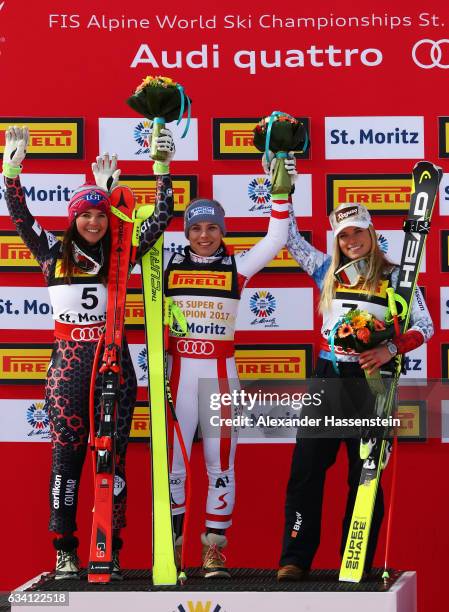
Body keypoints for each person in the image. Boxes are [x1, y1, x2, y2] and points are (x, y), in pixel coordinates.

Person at [2, 125, 175, 580]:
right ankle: (64, 549)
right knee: (66, 459)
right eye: (85, 216)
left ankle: (109, 547)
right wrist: (12, 171)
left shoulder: (123, 253)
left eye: (100, 215)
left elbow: (161, 217)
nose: (94, 223)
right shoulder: (51, 252)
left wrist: (161, 168)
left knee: (112, 459)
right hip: (68, 372)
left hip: (113, 369)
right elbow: (20, 215)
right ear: (73, 218)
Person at [276, 186, 434, 580]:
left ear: (371, 232)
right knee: (306, 470)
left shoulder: (397, 275)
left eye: (357, 232)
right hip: (328, 375)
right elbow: (288, 238)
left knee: (364, 475)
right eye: (343, 235)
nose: (351, 241)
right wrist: (281, 186)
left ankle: (355, 559)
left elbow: (426, 325)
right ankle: (294, 559)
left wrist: (391, 350)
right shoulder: (324, 268)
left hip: (370, 380)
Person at [165, 156, 296, 578]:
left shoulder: (237, 267)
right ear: (186, 232)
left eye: (213, 227)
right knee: (173, 466)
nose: (205, 235)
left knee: (221, 464)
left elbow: (277, 238)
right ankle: (170, 546)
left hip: (221, 375)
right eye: (197, 228)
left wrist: (280, 190)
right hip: (178, 375)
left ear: (223, 231)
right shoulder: (164, 266)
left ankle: (214, 550)